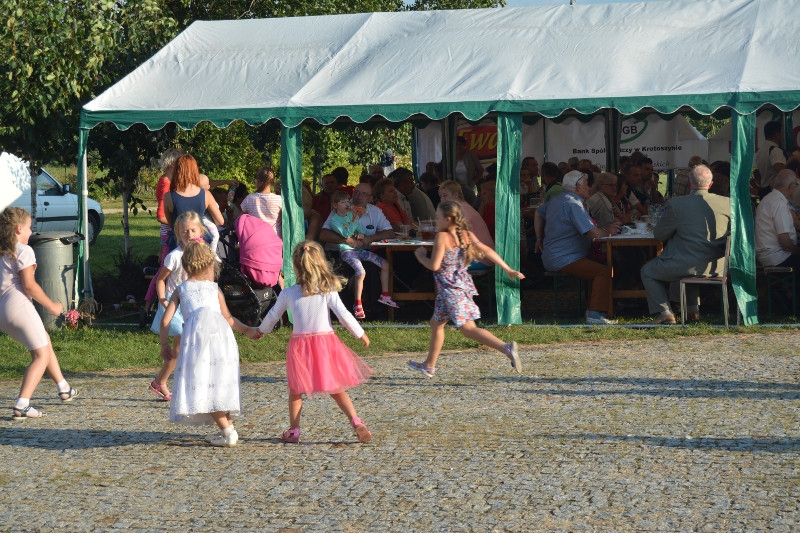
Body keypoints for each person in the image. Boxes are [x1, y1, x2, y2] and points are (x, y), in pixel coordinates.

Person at [256, 241, 374, 444]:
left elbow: (273, 315)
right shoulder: (327, 290)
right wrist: (360, 333)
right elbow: (344, 315)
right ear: (321, 263)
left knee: (296, 391)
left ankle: (294, 430)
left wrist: (261, 331)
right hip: (325, 345)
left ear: (295, 266)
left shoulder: (288, 293)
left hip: (300, 348)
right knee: (336, 388)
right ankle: (356, 421)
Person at [406, 201, 524, 378]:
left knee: (468, 329)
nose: (435, 221)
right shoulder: (465, 234)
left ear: (448, 219)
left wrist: (421, 257)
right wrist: (507, 268)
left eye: (437, 217)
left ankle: (506, 348)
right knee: (436, 323)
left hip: (451, 290)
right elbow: (486, 250)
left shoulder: (442, 237)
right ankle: (429, 365)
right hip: (458, 287)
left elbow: (434, 265)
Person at [160, 241, 258, 447]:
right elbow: (229, 319)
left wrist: (164, 344)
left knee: (204, 385)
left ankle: (228, 432)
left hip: (197, 345)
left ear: (186, 266)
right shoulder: (215, 289)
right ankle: (227, 430)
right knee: (218, 382)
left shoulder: (181, 289)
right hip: (222, 342)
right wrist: (248, 330)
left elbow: (165, 320)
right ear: (209, 265)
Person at [1, 207, 78, 418]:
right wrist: (52, 306)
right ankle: (22, 404)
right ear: (19, 229)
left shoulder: (2, 252)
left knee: (44, 341)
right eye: (29, 227)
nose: (31, 231)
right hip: (19, 307)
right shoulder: (23, 250)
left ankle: (63, 387)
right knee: (40, 355)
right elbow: (29, 285)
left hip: (2, 312)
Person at [640, 165, 731, 324]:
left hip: (685, 265)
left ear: (689, 182)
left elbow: (660, 235)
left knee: (647, 271)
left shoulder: (676, 204)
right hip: (718, 267)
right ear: (710, 184)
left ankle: (665, 312)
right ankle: (692, 310)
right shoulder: (728, 203)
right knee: (689, 264)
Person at [534, 171, 621, 325]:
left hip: (555, 256)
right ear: (578, 186)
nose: (590, 188)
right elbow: (594, 234)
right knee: (603, 271)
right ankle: (594, 314)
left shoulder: (559, 199)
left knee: (601, 265)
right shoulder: (573, 203)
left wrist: (539, 238)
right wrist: (609, 231)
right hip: (565, 258)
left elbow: (538, 212)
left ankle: (594, 308)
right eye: (587, 184)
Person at [149, 211, 207, 401]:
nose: (189, 235)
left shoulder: (203, 254)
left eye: (193, 230)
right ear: (178, 233)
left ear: (201, 231)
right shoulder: (174, 256)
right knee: (181, 345)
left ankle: (160, 381)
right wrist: (162, 298)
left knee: (182, 349)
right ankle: (178, 383)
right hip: (172, 303)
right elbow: (161, 279)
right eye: (185, 231)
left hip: (191, 303)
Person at [328, 190, 399, 318]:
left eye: (348, 201)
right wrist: (355, 219)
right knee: (361, 272)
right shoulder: (334, 220)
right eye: (343, 202)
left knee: (385, 264)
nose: (347, 204)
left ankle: (385, 295)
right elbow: (345, 234)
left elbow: (358, 229)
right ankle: (358, 304)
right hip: (347, 252)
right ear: (335, 205)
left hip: (359, 250)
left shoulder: (350, 215)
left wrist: (361, 234)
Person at [755, 170, 800, 307]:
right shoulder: (779, 203)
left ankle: (788, 295)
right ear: (791, 187)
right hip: (777, 256)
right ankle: (791, 299)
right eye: (796, 185)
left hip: (769, 254)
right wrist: (798, 251)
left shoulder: (770, 199)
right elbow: (784, 240)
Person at [163, 154, 225, 249]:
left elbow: (172, 224)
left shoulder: (168, 196)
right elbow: (220, 221)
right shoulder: (206, 194)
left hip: (179, 245)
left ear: (177, 171)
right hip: (200, 245)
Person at [240, 166, 283, 238]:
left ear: (257, 181)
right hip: (274, 239)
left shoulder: (249, 198)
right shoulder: (279, 199)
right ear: (272, 183)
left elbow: (242, 218)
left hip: (255, 238)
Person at [755, 120, 787, 197]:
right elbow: (780, 168)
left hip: (765, 191)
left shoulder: (760, 151)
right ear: (777, 134)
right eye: (781, 133)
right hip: (775, 192)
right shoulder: (775, 150)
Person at [453, 136, 483, 204]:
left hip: (469, 188)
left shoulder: (470, 155)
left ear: (464, 146)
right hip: (456, 189)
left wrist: (474, 181)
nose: (458, 146)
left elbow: (480, 170)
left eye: (460, 144)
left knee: (470, 204)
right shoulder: (451, 157)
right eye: (457, 144)